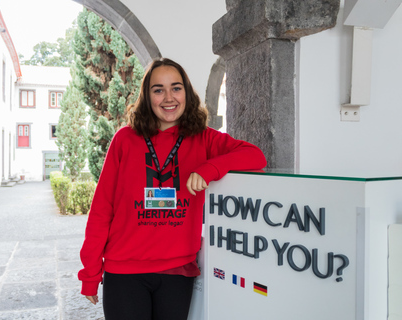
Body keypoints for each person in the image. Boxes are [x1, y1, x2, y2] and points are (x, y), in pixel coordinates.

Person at [78, 57, 266, 320]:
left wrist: (210, 168)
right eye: (158, 90)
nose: (168, 97)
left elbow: (256, 156)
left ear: (186, 93)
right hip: (124, 272)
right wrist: (90, 272)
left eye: (176, 88)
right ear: (147, 96)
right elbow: (101, 210)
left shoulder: (203, 138)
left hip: (177, 272)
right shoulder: (125, 139)